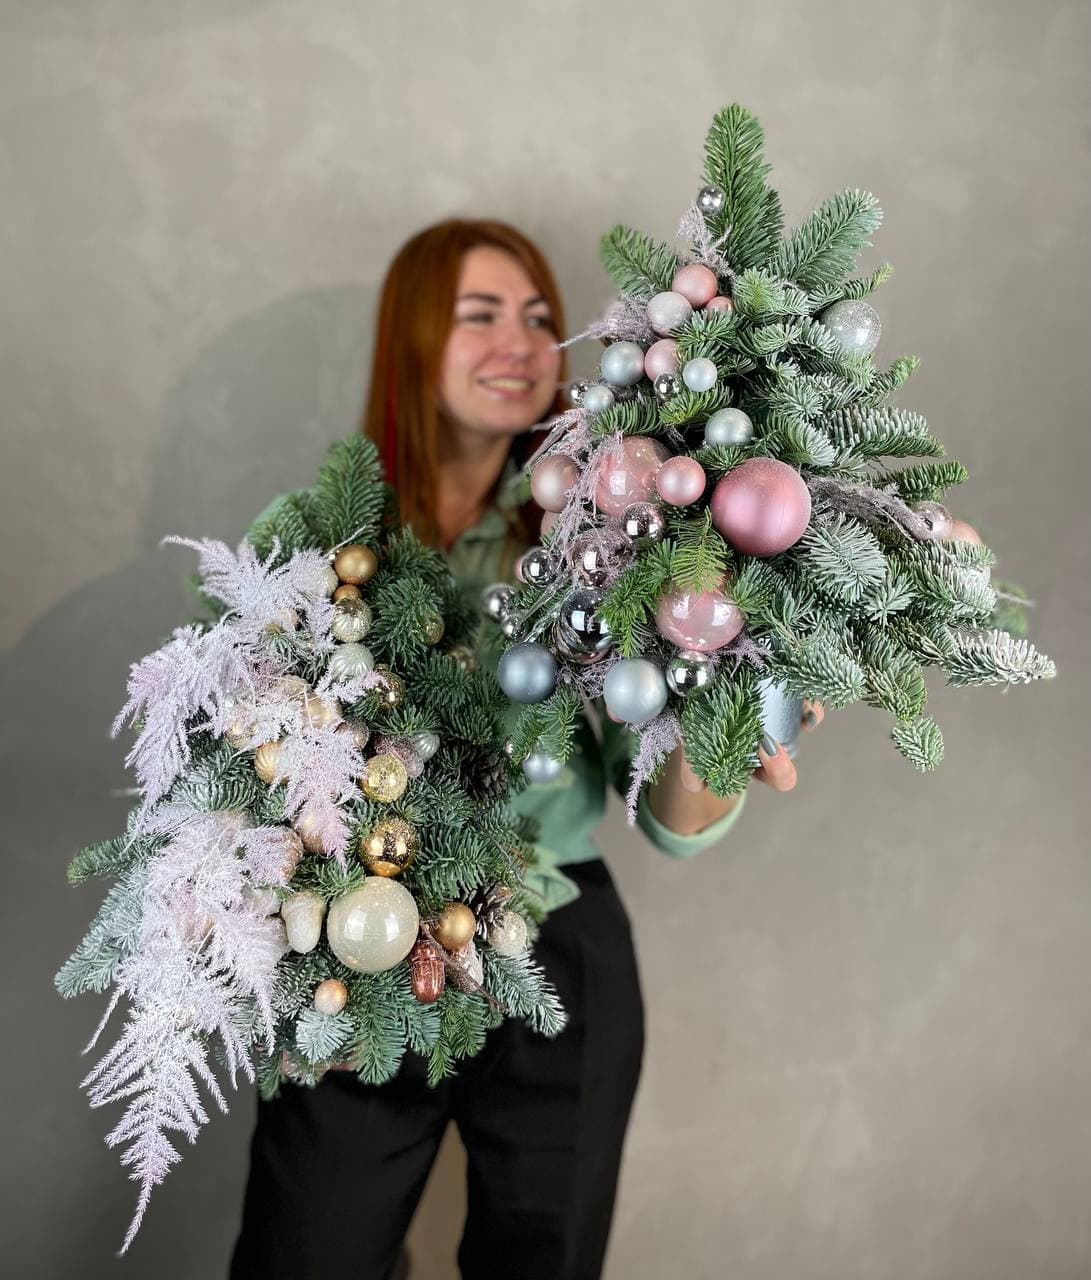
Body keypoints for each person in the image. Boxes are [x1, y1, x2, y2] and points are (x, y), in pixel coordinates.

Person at [229, 219, 823, 1280]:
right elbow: (230, 760)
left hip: (558, 941)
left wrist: (723, 716)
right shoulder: (313, 539)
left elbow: (673, 824)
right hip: (354, 949)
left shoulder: (601, 530)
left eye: (541, 316)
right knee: (305, 1254)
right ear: (412, 336)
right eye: (479, 314)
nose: (521, 341)